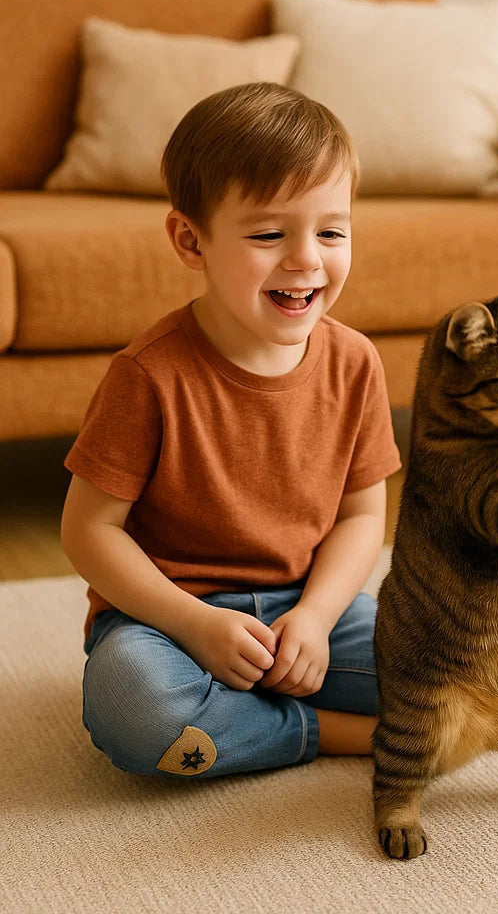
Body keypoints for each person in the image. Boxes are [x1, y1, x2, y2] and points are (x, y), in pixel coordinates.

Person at [60, 82, 401, 779]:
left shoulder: (355, 361)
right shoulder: (149, 375)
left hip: (309, 611)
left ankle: (249, 719)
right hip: (167, 623)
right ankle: (322, 732)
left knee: (458, 675)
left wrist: (313, 617)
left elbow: (363, 516)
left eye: (331, 231)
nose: (306, 259)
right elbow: (88, 531)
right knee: (137, 710)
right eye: (270, 233)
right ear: (191, 240)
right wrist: (196, 624)